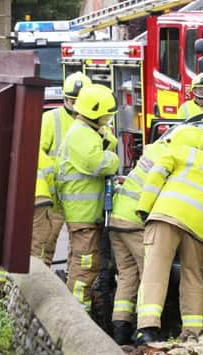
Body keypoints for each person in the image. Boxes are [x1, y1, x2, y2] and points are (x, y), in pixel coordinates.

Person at [135, 126, 203, 345]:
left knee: (155, 271)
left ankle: (147, 329)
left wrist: (144, 207)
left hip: (166, 216)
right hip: (199, 228)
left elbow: (156, 176)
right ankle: (193, 331)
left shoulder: (181, 153)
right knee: (193, 277)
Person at [108, 124, 201, 344]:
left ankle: (120, 327)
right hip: (136, 221)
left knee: (128, 275)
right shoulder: (174, 161)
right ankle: (145, 330)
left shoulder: (155, 151)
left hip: (118, 218)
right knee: (151, 275)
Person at [55, 84, 120, 312]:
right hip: (83, 212)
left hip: (83, 212)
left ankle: (77, 310)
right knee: (84, 265)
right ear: (97, 113)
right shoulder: (82, 135)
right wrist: (114, 160)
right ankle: (78, 315)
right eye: (107, 114)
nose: (109, 118)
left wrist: (104, 136)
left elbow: (110, 142)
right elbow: (98, 163)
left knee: (79, 262)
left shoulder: (86, 131)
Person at [37, 72, 91, 266]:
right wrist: (55, 180)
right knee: (45, 244)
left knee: (81, 250)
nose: (75, 105)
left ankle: (72, 286)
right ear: (65, 99)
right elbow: (38, 153)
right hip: (56, 197)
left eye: (80, 101)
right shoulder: (50, 119)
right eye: (71, 100)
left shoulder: (95, 122)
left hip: (80, 197)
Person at [30, 150, 58, 266]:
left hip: (10, 202)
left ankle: (3, 282)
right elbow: (50, 171)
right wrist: (54, 205)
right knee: (38, 247)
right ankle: (33, 280)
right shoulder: (30, 147)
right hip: (39, 198)